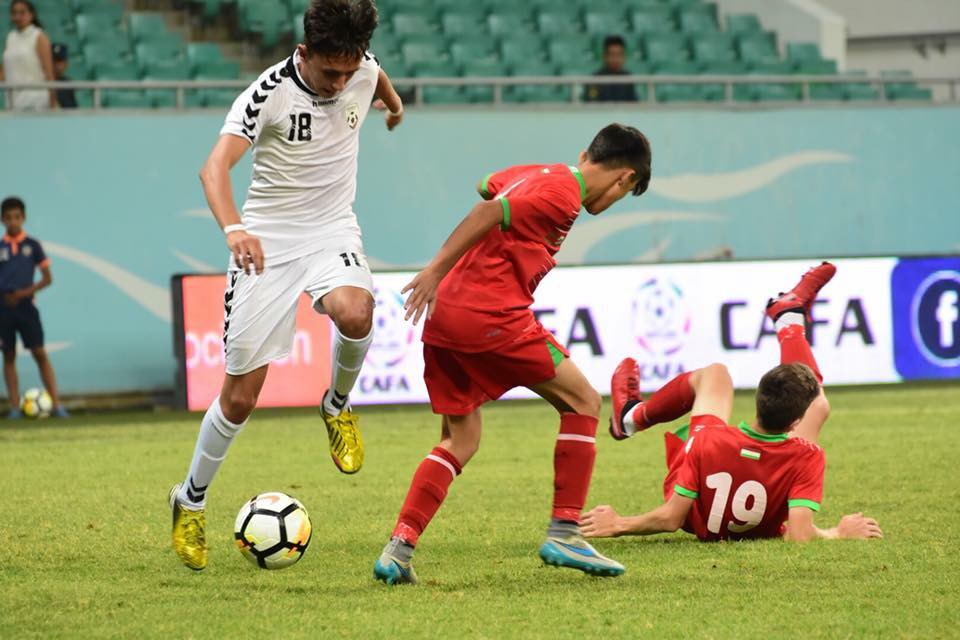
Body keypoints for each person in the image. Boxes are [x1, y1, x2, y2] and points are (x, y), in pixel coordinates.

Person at [169, 0, 405, 571]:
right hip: (266, 243)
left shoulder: (362, 69)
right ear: (304, 53)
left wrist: (393, 106)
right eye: (331, 73)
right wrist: (235, 229)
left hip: (331, 229)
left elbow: (378, 79)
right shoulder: (269, 91)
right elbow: (213, 168)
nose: (341, 83)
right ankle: (190, 499)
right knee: (241, 397)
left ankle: (336, 404)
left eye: (350, 73)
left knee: (356, 313)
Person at [372, 124, 653, 585]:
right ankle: (565, 530)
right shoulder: (563, 196)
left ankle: (398, 549)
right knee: (584, 401)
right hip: (491, 315)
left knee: (460, 441)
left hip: (446, 319)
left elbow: (489, 181)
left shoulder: (541, 175)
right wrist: (434, 269)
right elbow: (489, 208)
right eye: (626, 192)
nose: (615, 201)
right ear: (623, 178)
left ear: (585, 153)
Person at [581, 262, 884, 543]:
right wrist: (839, 532)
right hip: (752, 508)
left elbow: (671, 518)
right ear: (793, 424)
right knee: (817, 405)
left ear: (758, 400)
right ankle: (788, 317)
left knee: (715, 375)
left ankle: (632, 417)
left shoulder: (707, 440)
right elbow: (799, 533)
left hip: (695, 501)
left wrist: (619, 523)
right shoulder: (807, 456)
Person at [0, 197, 68, 419]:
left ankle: (57, 404)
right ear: (2, 220)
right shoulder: (0, 247)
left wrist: (24, 293)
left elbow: (47, 278)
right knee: (8, 355)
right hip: (4, 309)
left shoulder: (32, 245)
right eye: (8, 217)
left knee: (39, 352)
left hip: (27, 307)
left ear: (24, 218)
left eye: (17, 217)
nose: (13, 222)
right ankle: (14, 407)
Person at [0, 0, 57, 111]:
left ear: (31, 15)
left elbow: (49, 73)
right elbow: (4, 72)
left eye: (22, 13)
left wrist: (53, 103)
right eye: (14, 13)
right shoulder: (10, 37)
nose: (18, 17)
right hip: (13, 101)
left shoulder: (39, 36)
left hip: (36, 101)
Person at [584, 35, 637, 103]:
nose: (615, 59)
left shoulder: (628, 78)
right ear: (605, 56)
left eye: (619, 55)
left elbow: (634, 104)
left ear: (624, 56)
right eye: (612, 55)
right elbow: (592, 103)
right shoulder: (594, 80)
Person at [51, 43, 76, 109]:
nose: (56, 65)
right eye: (54, 61)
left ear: (66, 63)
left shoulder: (67, 84)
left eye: (60, 61)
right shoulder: (41, 82)